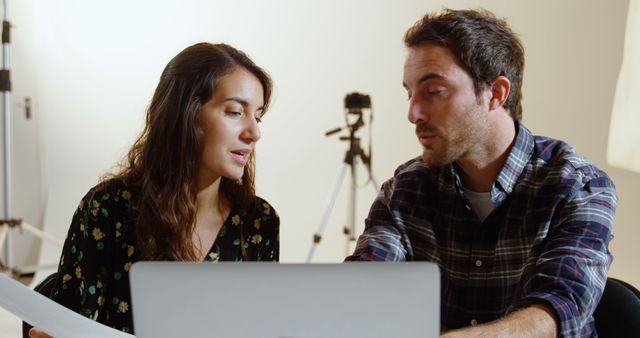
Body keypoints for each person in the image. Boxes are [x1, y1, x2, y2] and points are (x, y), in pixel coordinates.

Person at [346, 8, 616, 338]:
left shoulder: (578, 186)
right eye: (409, 93)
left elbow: (557, 312)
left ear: (496, 93)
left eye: (433, 92)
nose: (413, 113)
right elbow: (363, 288)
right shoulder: (405, 189)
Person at [29, 42, 279, 337]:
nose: (254, 133)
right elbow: (70, 325)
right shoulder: (106, 208)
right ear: (186, 113)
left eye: (258, 116)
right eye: (235, 112)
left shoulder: (258, 222)